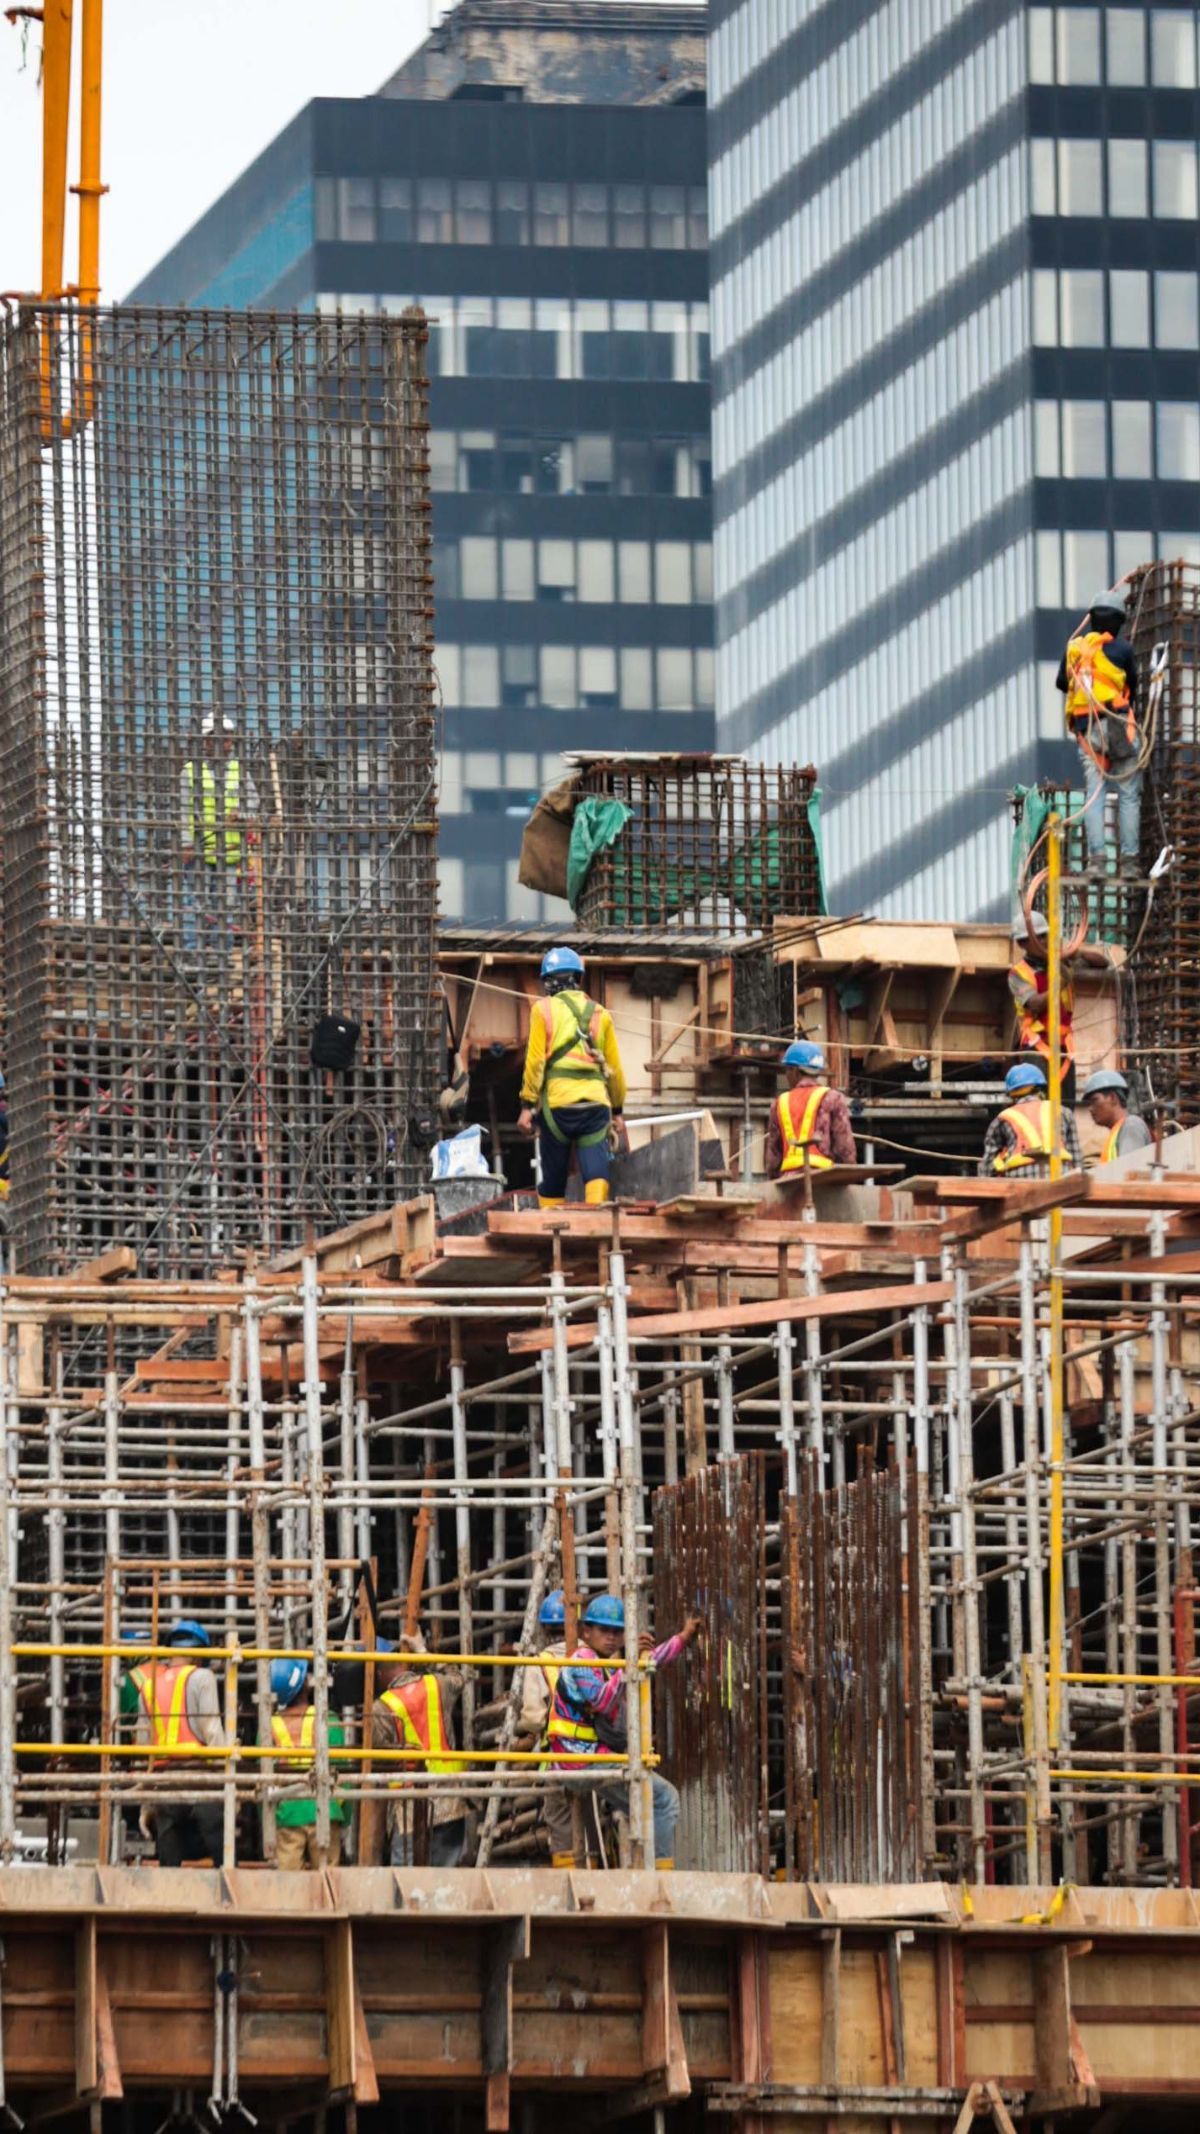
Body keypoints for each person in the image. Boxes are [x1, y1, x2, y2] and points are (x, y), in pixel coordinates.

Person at [544, 1593, 704, 1872]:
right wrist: (631, 1658)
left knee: (647, 1805)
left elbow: (644, 1667)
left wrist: (681, 1638)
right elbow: (603, 1700)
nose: (611, 1638)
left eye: (617, 1632)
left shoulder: (606, 1665)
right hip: (579, 1761)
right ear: (586, 1632)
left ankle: (647, 1870)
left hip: (588, 1758)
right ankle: (659, 1879)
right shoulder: (582, 1660)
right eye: (604, 1630)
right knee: (665, 1800)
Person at [517, 947, 627, 1210]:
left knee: (554, 1180)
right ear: (578, 978)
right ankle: (596, 1225)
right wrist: (618, 1110)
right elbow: (615, 1069)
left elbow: (534, 1064)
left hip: (558, 1107)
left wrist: (527, 1106)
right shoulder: (600, 1013)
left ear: (547, 981)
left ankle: (553, 1230)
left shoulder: (542, 1010)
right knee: (596, 1174)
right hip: (596, 1106)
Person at [1056, 591, 1141, 878]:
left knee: (1095, 795)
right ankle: (1129, 862)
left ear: (1091, 619)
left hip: (1088, 730)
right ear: (1118, 622)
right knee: (1129, 794)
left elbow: (1062, 683)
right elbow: (1133, 686)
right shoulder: (1123, 650)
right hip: (1118, 725)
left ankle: (1097, 862)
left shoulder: (1074, 650)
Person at [130, 1619, 228, 1866]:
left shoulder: (148, 1687)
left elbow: (143, 1748)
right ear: (199, 1654)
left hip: (165, 1777)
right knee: (218, 1838)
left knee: (168, 1842)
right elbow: (212, 1730)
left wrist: (146, 1798)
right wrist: (229, 1778)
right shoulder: (202, 1677)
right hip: (200, 1773)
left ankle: (167, 1895)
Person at [371, 1634, 468, 1867]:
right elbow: (457, 1677)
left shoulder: (381, 1707)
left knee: (405, 1883)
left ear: (378, 1673)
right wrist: (424, 1651)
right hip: (448, 1801)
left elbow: (377, 1756)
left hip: (408, 1808)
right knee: (445, 1883)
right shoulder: (437, 1685)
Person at [180, 714, 259, 954]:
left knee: (225, 907)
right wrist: (186, 844)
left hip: (229, 853)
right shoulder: (191, 771)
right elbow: (184, 810)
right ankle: (193, 954)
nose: (224, 744)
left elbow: (255, 803)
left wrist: (241, 814)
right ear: (206, 742)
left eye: (227, 739)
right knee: (196, 905)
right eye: (217, 739)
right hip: (200, 852)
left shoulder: (240, 770)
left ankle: (221, 954)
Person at [266, 1657, 348, 1868]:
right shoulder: (328, 1719)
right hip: (326, 1812)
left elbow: (263, 1781)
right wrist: (344, 1816)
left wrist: (269, 1821)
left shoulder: (269, 1727)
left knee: (289, 1888)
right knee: (328, 1884)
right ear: (304, 1684)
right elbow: (344, 1775)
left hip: (288, 1814)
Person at [765, 1041, 857, 1177]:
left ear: (795, 1071)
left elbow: (773, 1159)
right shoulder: (832, 1098)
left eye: (787, 1070)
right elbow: (844, 1149)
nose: (786, 1075)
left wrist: (775, 1181)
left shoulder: (779, 1103)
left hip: (789, 1183)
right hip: (823, 1179)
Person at [979, 1063, 1082, 1177]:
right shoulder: (1063, 1112)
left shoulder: (1002, 1118)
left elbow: (987, 1166)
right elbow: (1077, 1161)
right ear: (1041, 1089)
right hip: (1060, 1178)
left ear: (1011, 1095)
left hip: (1020, 1181)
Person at [516, 1588, 568, 1754]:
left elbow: (534, 1720)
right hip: (598, 1751)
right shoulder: (593, 1656)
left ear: (544, 1628)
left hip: (559, 1753)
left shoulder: (539, 1663)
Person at [1081, 1068, 1152, 1163]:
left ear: (1112, 1098)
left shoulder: (1131, 1126)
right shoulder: (1117, 1133)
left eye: (1094, 1100)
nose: (1090, 1108)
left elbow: (1127, 1171)